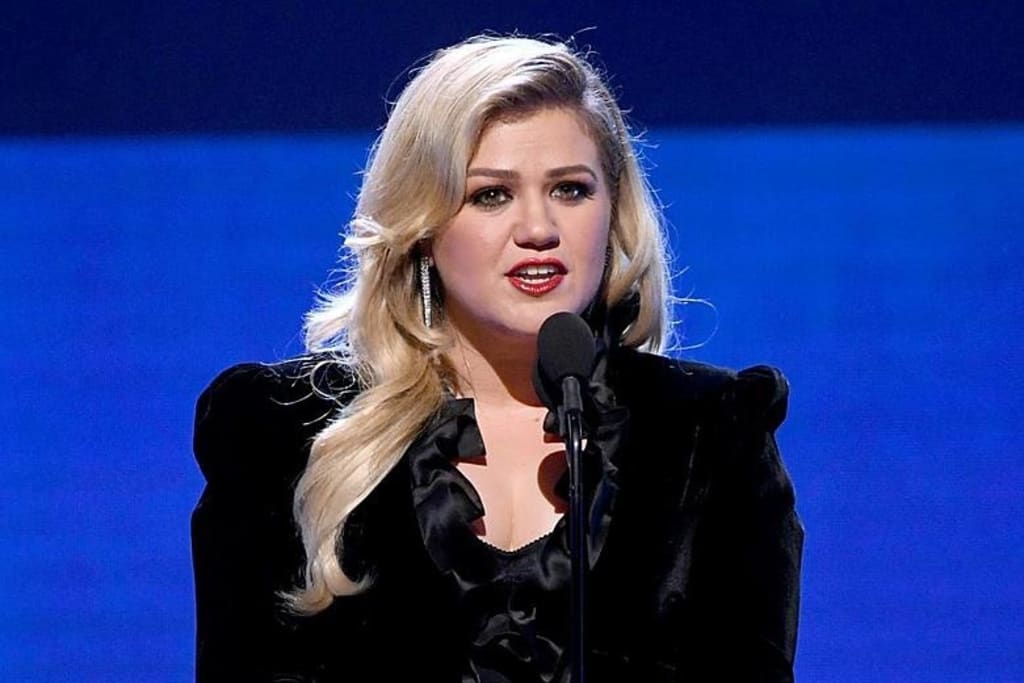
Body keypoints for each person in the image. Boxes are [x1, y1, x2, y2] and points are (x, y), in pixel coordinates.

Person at [191, 34, 803, 682]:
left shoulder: (710, 434)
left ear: (613, 211)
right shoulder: (283, 434)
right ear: (421, 224)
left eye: (570, 190)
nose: (538, 229)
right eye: (491, 195)